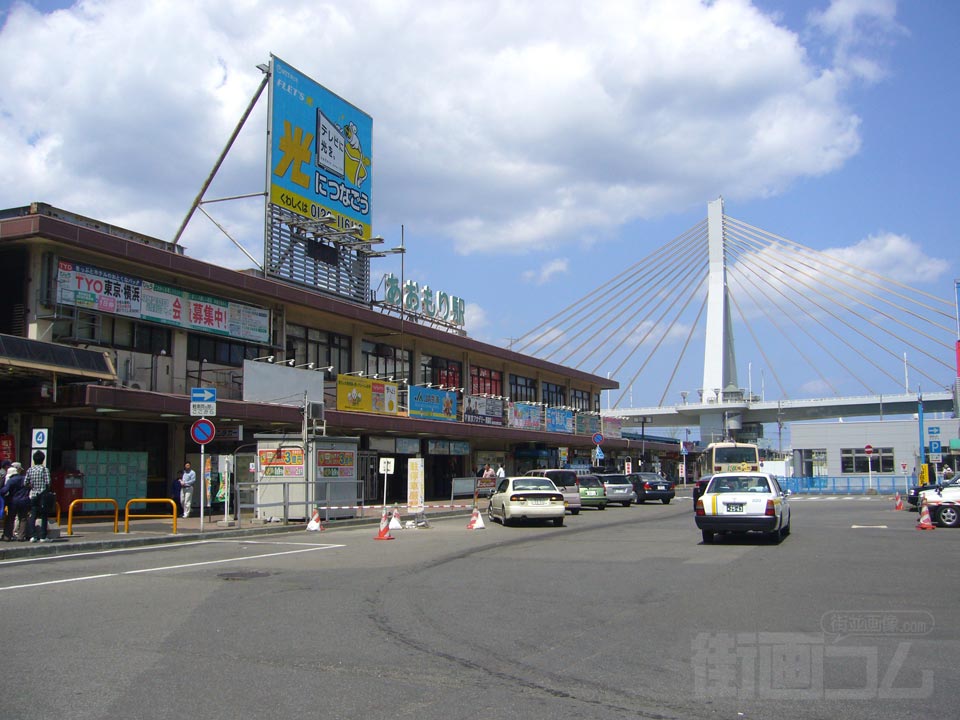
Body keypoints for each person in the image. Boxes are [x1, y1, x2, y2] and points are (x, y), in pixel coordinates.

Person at [26, 450, 53, 543]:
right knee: (44, 515)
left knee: (33, 515)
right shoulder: (44, 469)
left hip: (33, 494)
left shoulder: (30, 469)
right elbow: (48, 482)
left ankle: (33, 535)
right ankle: (43, 536)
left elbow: (25, 483)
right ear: (43, 460)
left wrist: (32, 487)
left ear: (34, 460)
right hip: (43, 495)